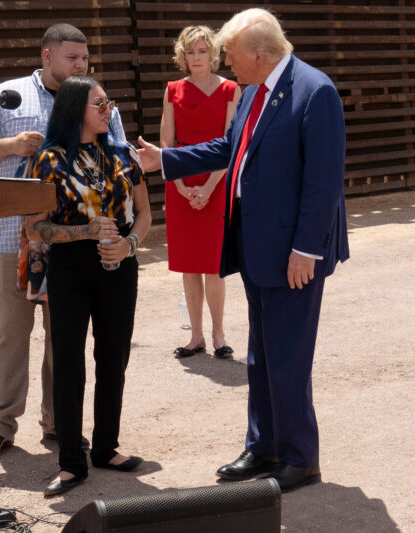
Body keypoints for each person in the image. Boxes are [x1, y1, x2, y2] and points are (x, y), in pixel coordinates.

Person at [136, 8, 349, 492]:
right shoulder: (254, 90)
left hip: (293, 255)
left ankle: (300, 458)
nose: (224, 62)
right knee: (261, 355)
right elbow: (228, 148)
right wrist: (165, 160)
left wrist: (306, 250)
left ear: (259, 54)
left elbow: (323, 182)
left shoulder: (315, 92)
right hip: (255, 247)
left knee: (288, 356)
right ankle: (264, 446)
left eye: (229, 54)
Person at [0, 23, 124, 461]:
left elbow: (119, 157)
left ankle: (59, 424)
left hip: (73, 243)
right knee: (10, 336)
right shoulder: (8, 95)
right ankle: (0, 425)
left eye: (85, 59)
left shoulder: (95, 99)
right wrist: (12, 144)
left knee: (64, 340)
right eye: (73, 58)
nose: (82, 66)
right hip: (12, 236)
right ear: (48, 57)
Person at [23, 76, 151, 496]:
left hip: (120, 264)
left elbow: (146, 214)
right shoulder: (48, 160)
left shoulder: (122, 153)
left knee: (113, 357)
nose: (108, 108)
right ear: (77, 108)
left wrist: (129, 245)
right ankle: (71, 463)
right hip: (71, 269)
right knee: (70, 364)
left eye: (108, 101)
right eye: (100, 103)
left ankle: (105, 448)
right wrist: (86, 232)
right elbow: (34, 228)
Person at [160, 26, 241, 360]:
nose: (196, 58)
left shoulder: (231, 90)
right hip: (180, 180)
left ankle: (219, 334)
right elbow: (166, 140)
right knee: (189, 265)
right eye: (190, 52)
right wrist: (180, 184)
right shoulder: (172, 89)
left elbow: (230, 143)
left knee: (213, 264)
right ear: (183, 55)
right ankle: (195, 337)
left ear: (213, 54)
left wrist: (207, 188)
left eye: (202, 51)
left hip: (217, 181)